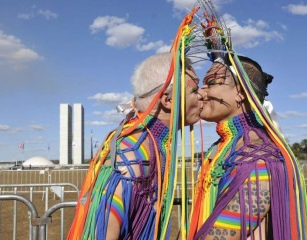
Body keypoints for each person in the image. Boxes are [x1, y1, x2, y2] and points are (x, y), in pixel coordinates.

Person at [67, 52, 203, 239]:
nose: (202, 95)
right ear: (168, 100)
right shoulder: (131, 154)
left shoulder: (151, 145)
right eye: (195, 90)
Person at [188, 55, 307, 239]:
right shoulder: (222, 147)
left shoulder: (257, 157)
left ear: (242, 92)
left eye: (211, 83)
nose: (202, 92)